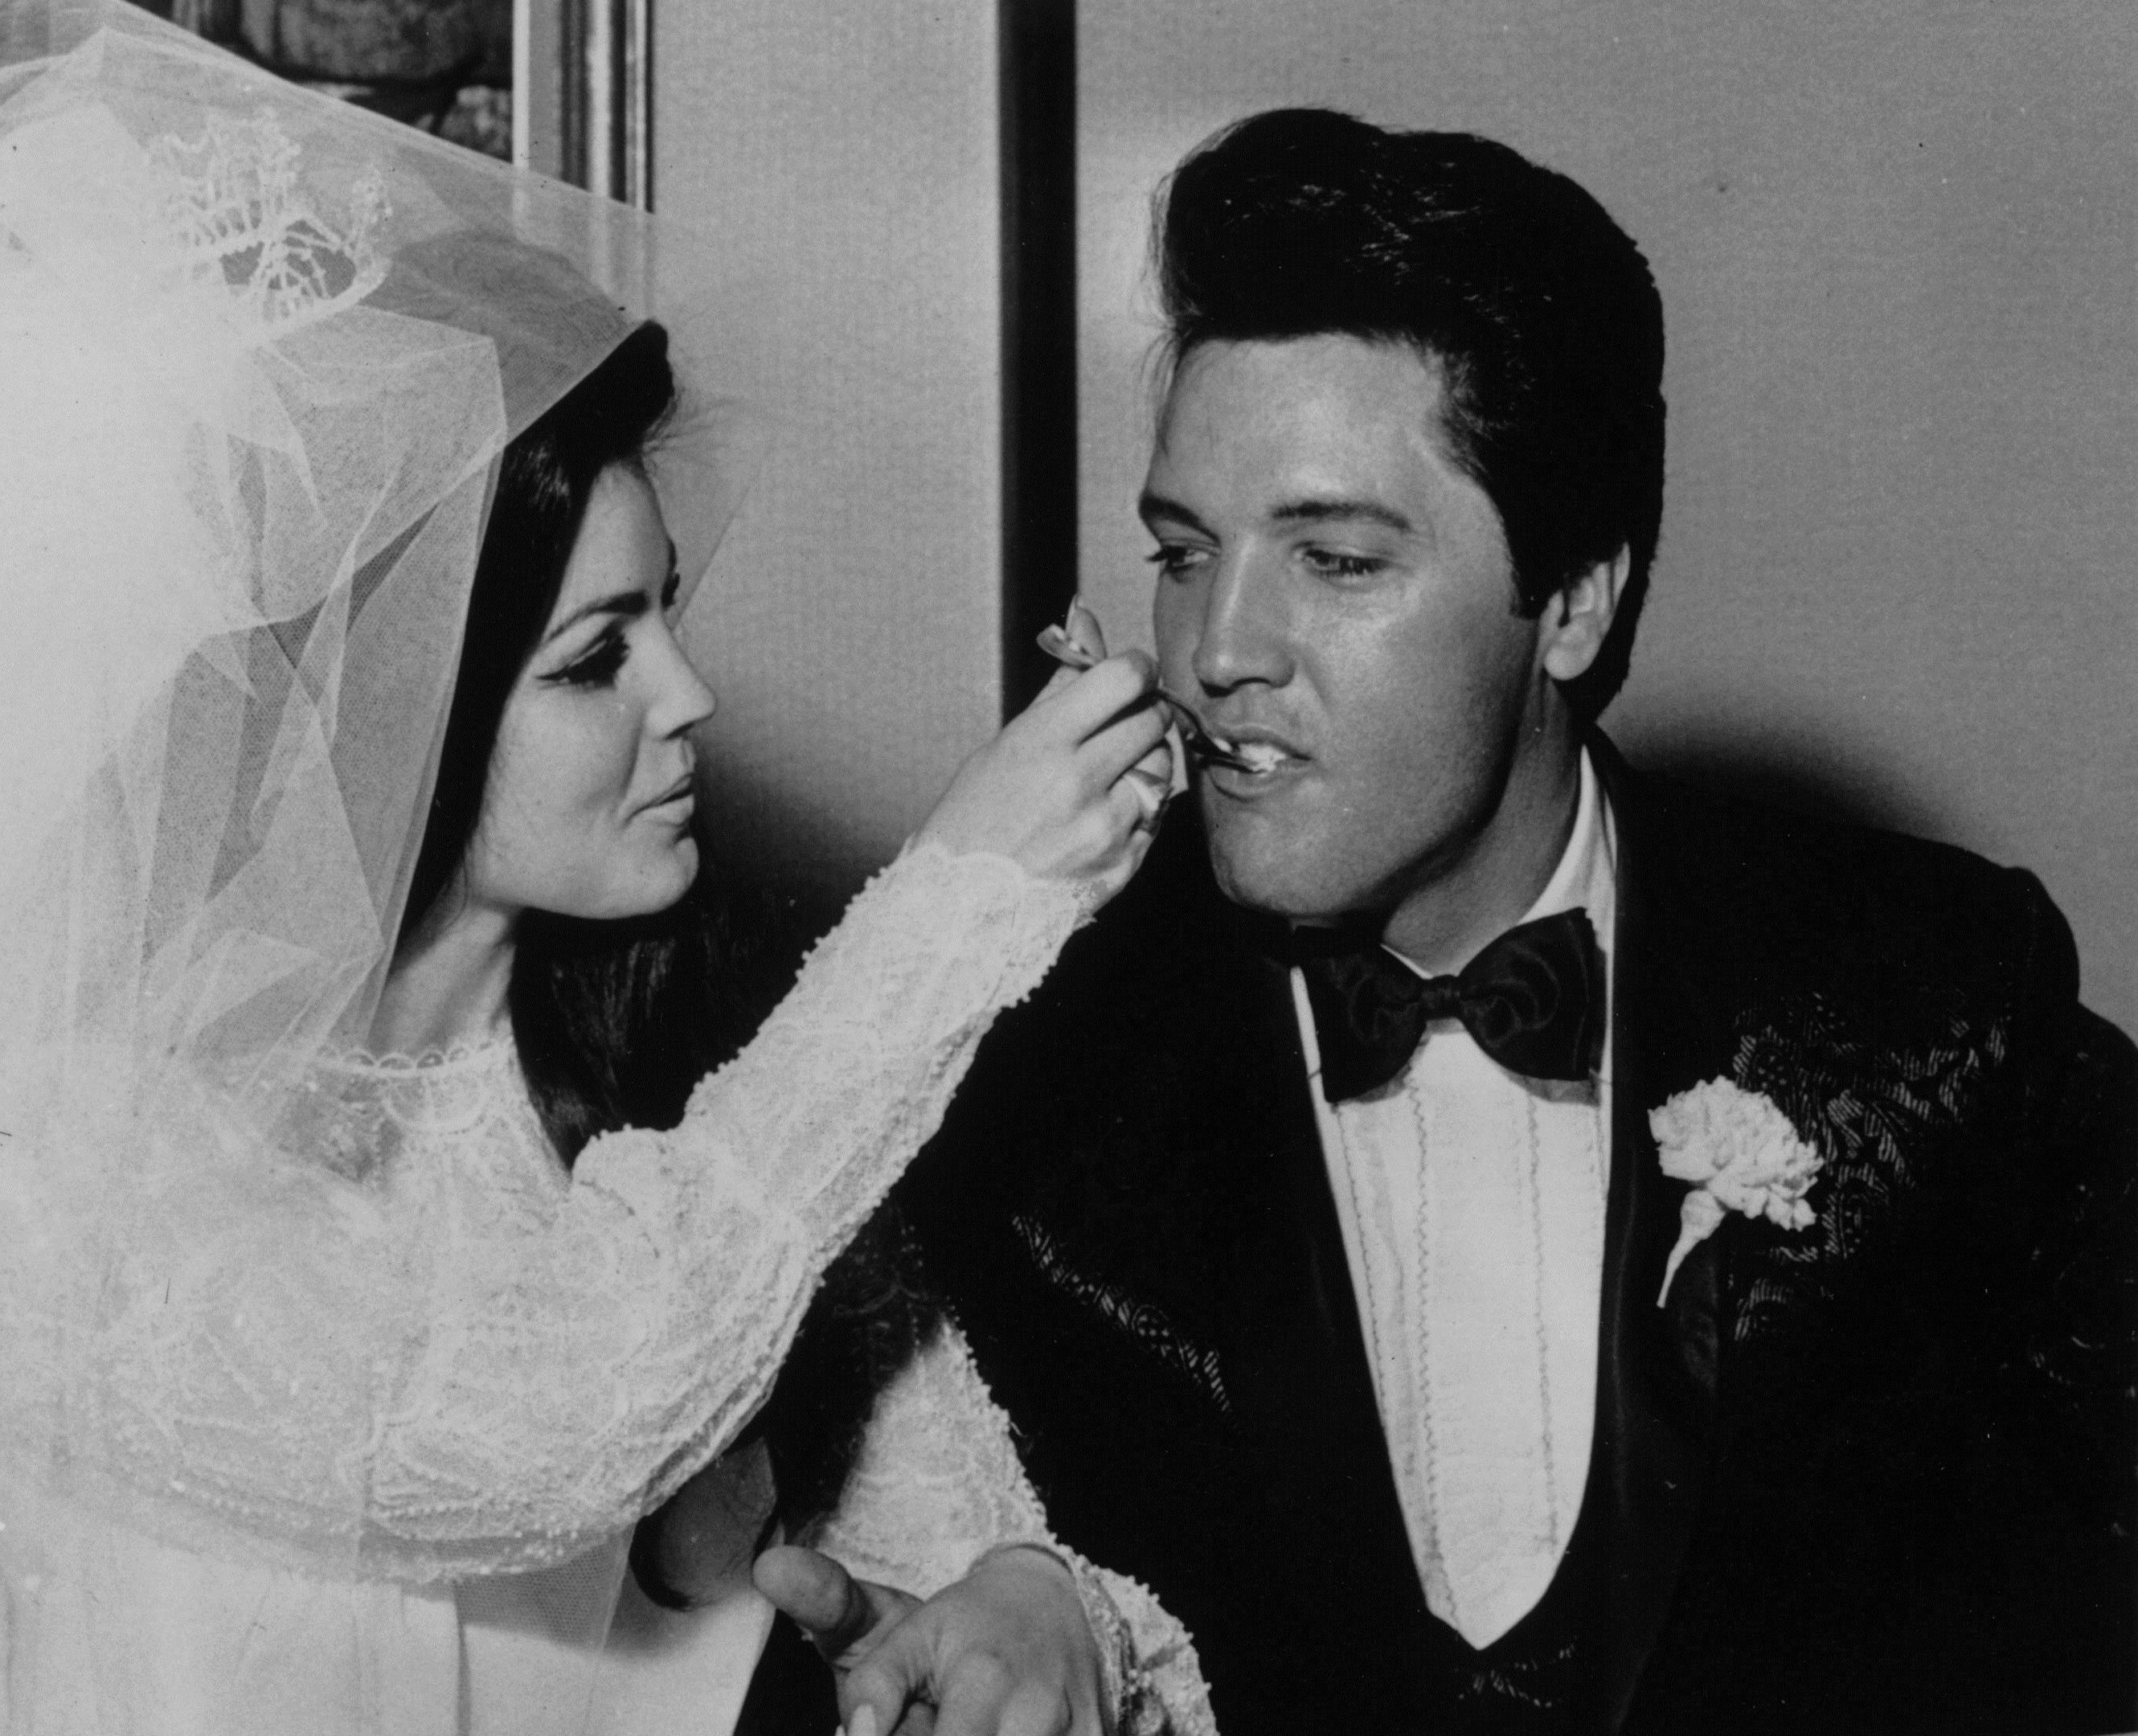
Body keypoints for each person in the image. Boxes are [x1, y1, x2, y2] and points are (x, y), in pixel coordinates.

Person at [0, 4, 1198, 1730]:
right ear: (374, 718)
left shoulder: (684, 1092)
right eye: (595, 658)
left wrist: (1040, 1606)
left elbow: (969, 1555)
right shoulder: (47, 1166)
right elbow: (548, 1426)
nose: (691, 697)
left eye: (668, 619)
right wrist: (960, 901)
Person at [764, 108, 2136, 1734]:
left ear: (1571, 602)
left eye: (1335, 560)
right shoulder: (1024, 1084)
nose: (1217, 651)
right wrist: (1031, 1613)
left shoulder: (1934, 1000)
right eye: (1181, 554)